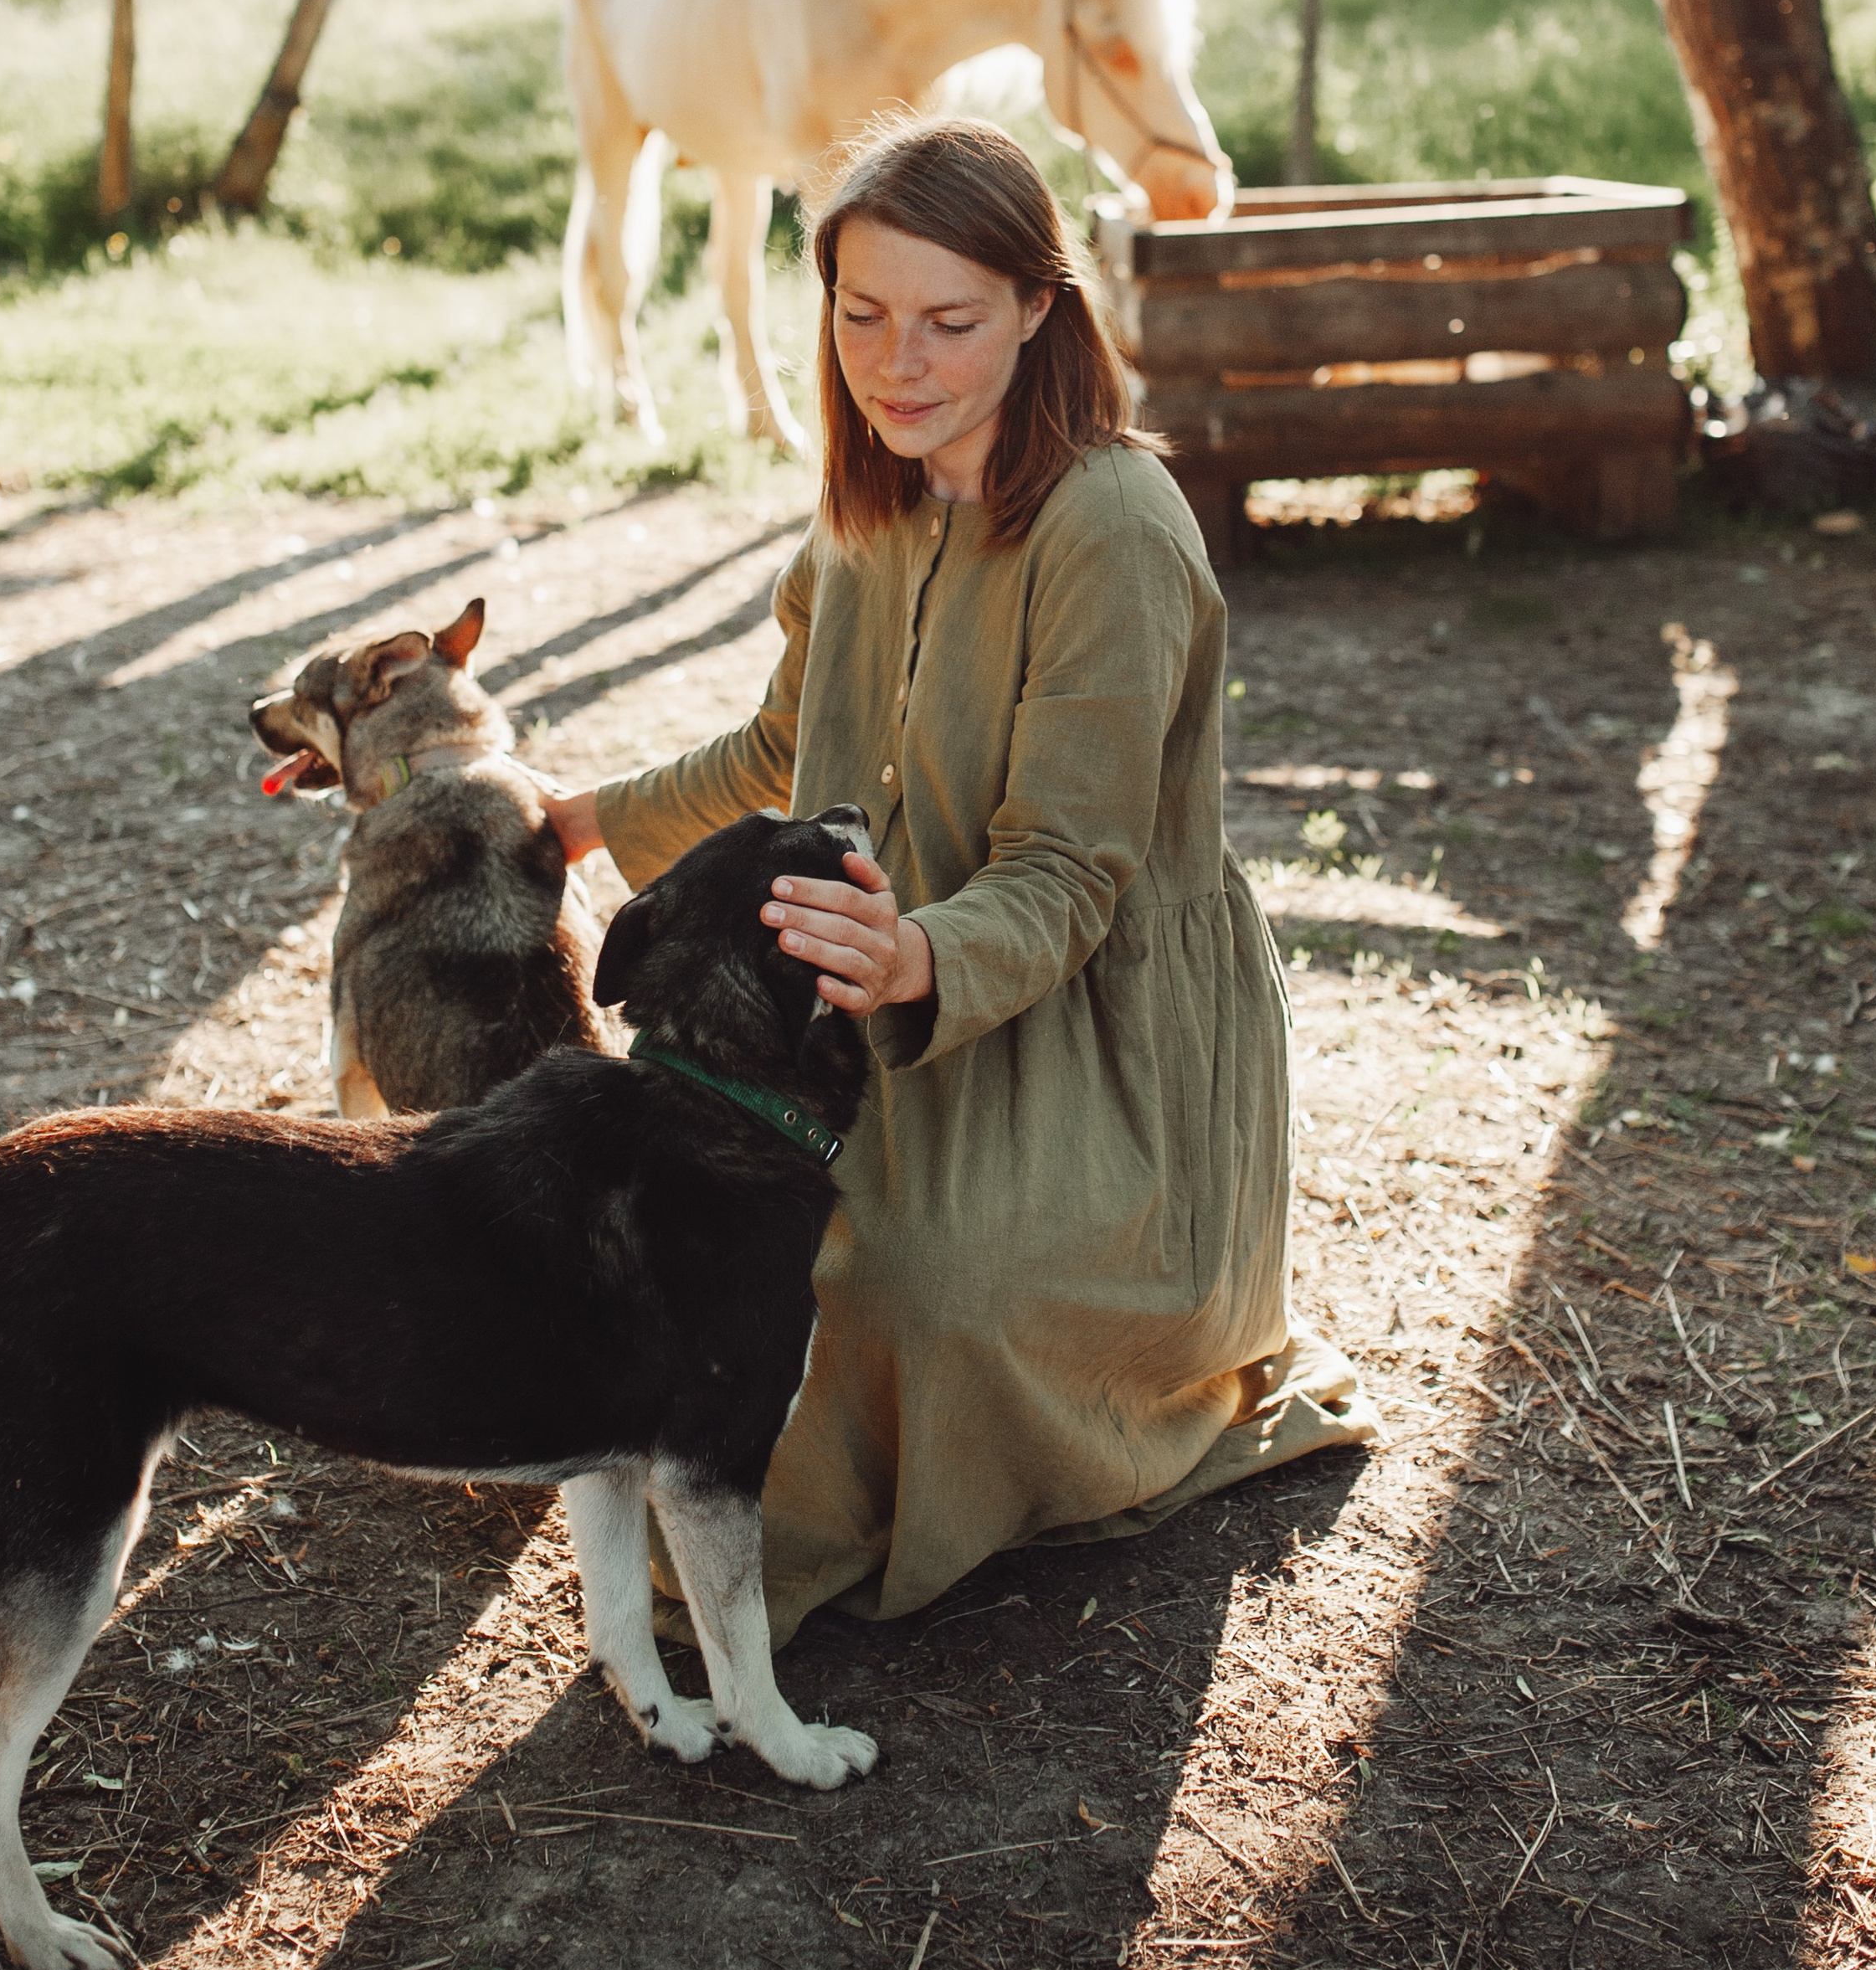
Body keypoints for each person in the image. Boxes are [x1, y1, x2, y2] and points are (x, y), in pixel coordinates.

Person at [543, 116, 1373, 1649]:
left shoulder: (1112, 528)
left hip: (1094, 1043)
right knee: (717, 1249)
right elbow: (785, 746)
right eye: (863, 316)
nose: (897, 362)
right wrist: (578, 820)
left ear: (1042, 309)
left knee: (917, 1299)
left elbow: (1067, 873)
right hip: (873, 994)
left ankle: (1153, 1372)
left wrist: (917, 956)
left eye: (950, 321)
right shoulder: (874, 501)